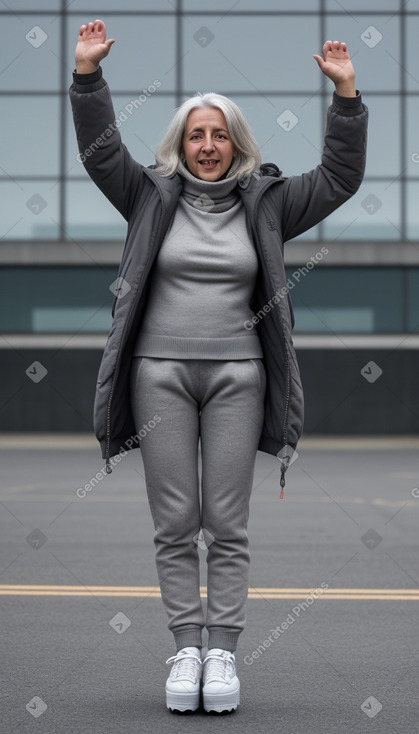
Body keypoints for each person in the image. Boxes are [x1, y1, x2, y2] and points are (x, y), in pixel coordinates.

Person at [70, 19, 368, 715]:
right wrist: (88, 76)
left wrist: (346, 96)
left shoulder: (266, 204)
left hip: (238, 378)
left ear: (237, 142)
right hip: (158, 377)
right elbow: (97, 151)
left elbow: (340, 178)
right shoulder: (148, 196)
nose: (208, 146)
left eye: (220, 133)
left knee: (225, 523)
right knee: (175, 521)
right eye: (196, 134)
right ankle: (184, 648)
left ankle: (223, 652)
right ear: (180, 143)